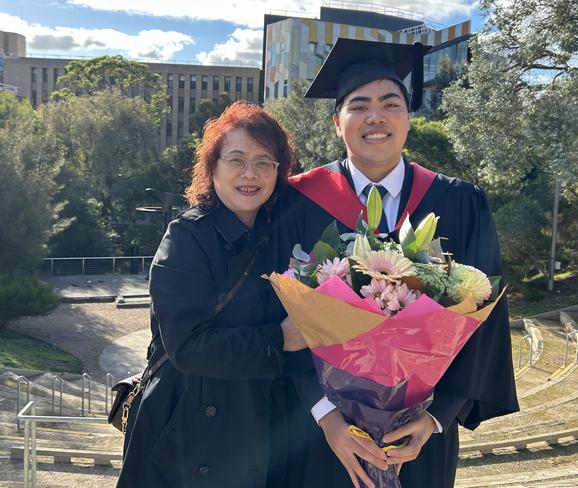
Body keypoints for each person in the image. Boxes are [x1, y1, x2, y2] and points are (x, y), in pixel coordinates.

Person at [285, 38, 520, 488]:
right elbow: (278, 316)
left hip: (420, 435)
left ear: (409, 118)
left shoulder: (460, 202)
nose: (376, 116)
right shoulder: (297, 201)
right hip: (321, 432)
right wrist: (325, 414)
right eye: (359, 105)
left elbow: (487, 313)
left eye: (390, 103)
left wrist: (437, 416)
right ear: (338, 123)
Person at [117, 101, 312, 488]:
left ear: (279, 171)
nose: (249, 173)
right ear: (213, 166)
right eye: (236, 159)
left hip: (260, 425)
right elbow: (189, 346)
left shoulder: (279, 233)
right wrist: (280, 339)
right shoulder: (187, 237)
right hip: (189, 430)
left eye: (264, 162)